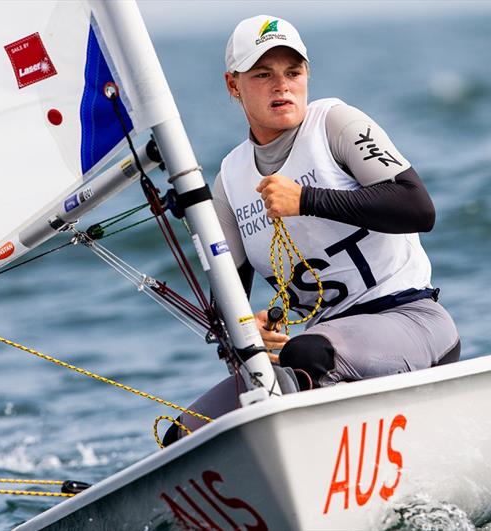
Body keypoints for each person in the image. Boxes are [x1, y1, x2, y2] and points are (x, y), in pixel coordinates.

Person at [163, 15, 460, 444]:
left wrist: (307, 199)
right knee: (183, 435)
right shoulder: (230, 180)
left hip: (410, 320)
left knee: (305, 354)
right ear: (233, 86)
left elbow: (418, 208)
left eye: (292, 72)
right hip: (328, 346)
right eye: (263, 74)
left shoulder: (335, 124)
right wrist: (247, 327)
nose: (281, 85)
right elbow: (227, 298)